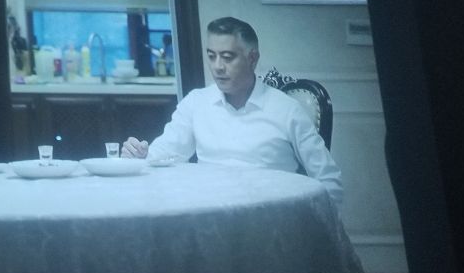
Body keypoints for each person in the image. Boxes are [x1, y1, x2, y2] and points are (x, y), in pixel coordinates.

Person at [121, 16, 343, 205]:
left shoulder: (287, 110)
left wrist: (308, 227)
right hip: (208, 215)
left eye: (227, 57)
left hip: (270, 222)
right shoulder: (196, 103)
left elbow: (329, 181)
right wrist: (140, 155)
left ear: (252, 58)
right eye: (211, 56)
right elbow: (164, 153)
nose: (217, 66)